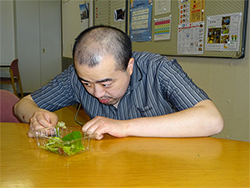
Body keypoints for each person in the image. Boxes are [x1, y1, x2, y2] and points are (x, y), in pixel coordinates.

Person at [14, 25, 223, 140]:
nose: (96, 93)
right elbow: (21, 105)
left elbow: (212, 120)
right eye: (87, 83)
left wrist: (124, 127)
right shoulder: (74, 77)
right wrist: (36, 117)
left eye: (106, 83)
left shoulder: (158, 69)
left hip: (167, 165)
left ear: (129, 66)